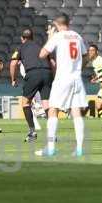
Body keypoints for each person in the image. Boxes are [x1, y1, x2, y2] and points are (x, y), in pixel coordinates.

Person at [36, 14, 88, 157]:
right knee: (76, 112)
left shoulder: (58, 37)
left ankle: (51, 148)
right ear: (68, 22)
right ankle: (79, 149)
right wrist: (79, 69)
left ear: (56, 25)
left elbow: (42, 54)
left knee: (53, 110)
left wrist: (50, 37)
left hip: (62, 78)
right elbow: (85, 56)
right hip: (76, 78)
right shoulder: (77, 36)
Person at [10, 28, 55, 142]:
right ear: (32, 37)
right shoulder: (40, 46)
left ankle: (32, 133)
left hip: (33, 73)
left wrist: (13, 79)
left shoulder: (21, 47)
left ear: (22, 38)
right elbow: (53, 63)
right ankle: (52, 135)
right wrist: (53, 77)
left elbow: (13, 63)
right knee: (46, 104)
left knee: (25, 103)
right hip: (47, 73)